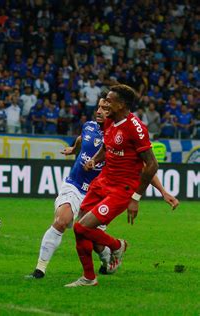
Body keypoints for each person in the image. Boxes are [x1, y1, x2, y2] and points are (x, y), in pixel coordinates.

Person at [27, 95, 179, 280]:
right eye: (98, 107)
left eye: (104, 108)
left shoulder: (121, 134)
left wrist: (163, 192)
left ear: (113, 109)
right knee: (61, 220)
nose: (99, 111)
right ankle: (40, 270)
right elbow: (82, 139)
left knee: (93, 238)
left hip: (102, 192)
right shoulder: (89, 126)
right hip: (75, 185)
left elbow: (145, 167)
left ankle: (107, 261)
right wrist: (74, 150)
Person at [66, 84, 161, 287]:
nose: (105, 104)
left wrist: (135, 198)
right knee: (79, 227)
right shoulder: (109, 121)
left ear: (122, 104)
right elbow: (107, 145)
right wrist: (95, 158)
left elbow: (152, 164)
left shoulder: (136, 128)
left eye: (109, 101)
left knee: (81, 227)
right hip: (102, 181)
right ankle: (89, 278)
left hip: (122, 189)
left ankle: (117, 245)